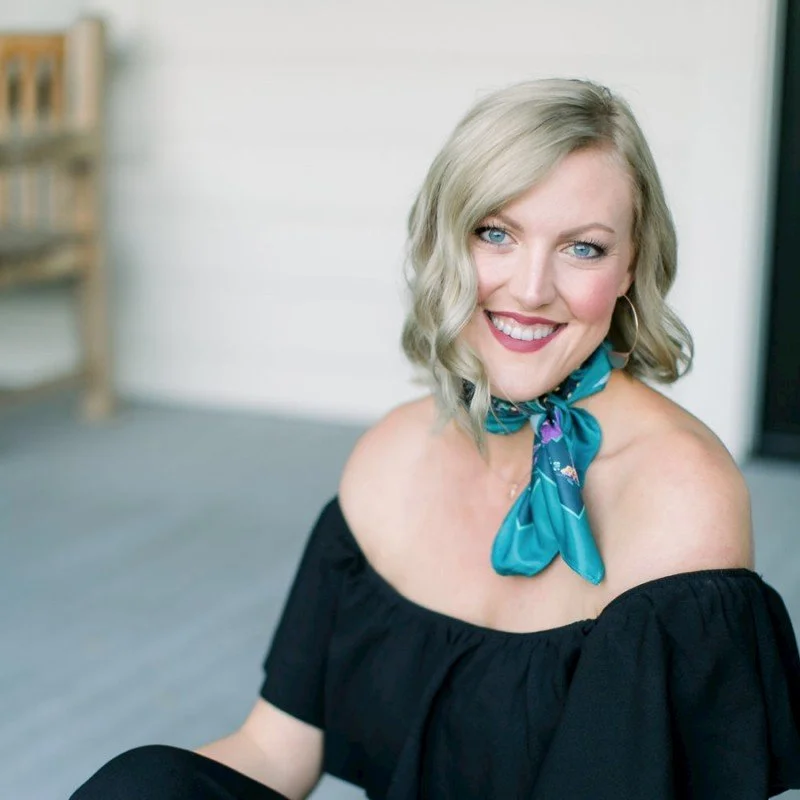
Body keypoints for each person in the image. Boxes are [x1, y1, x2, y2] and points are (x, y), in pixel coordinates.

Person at [72, 78, 800, 800]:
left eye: (582, 248)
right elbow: (275, 748)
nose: (530, 287)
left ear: (631, 267)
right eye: (496, 234)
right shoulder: (394, 458)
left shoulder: (682, 496)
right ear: (444, 240)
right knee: (141, 785)